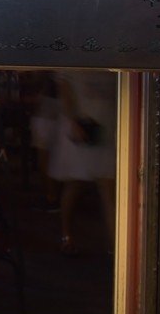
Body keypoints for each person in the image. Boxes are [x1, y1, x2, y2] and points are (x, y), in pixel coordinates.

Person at [48, 70, 118, 255]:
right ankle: (67, 234)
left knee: (108, 188)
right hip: (81, 130)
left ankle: (117, 246)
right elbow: (65, 92)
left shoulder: (113, 58)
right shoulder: (71, 59)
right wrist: (73, 122)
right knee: (75, 185)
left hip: (106, 130)